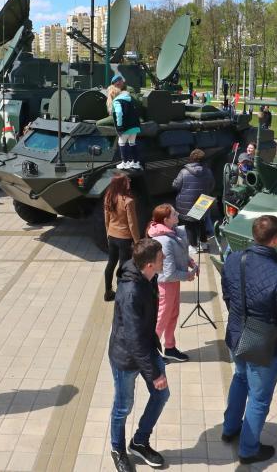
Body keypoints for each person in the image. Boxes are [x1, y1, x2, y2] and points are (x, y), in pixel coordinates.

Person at [221, 215, 277, 464]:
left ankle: (230, 429)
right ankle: (248, 450)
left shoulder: (233, 259)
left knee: (240, 378)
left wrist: (238, 317)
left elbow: (227, 294)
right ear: (276, 239)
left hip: (236, 331)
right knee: (259, 398)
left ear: (254, 235)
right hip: (260, 338)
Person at [106, 238, 170, 472]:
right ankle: (117, 449)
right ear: (149, 264)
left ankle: (139, 442)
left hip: (144, 348)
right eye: (161, 258)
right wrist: (154, 373)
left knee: (161, 395)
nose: (164, 259)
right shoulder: (131, 291)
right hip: (126, 357)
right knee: (123, 406)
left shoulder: (146, 276)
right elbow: (133, 340)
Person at [148, 204, 196, 363]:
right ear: (166, 220)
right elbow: (168, 273)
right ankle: (151, 353)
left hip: (173, 283)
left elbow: (179, 254)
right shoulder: (164, 240)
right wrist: (188, 275)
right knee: (162, 318)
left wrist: (189, 261)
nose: (178, 214)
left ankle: (169, 347)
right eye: (174, 214)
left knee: (173, 314)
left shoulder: (171, 231)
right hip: (166, 284)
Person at [103, 173, 140, 302]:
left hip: (112, 235)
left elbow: (106, 219)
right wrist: (137, 241)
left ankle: (108, 292)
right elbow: (132, 224)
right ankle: (121, 294)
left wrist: (108, 234)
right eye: (127, 181)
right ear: (122, 184)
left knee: (111, 263)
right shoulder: (128, 201)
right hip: (125, 238)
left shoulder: (108, 197)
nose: (129, 182)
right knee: (123, 266)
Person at [173, 149, 217, 251]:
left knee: (190, 225)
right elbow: (212, 185)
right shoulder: (208, 171)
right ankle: (204, 244)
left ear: (191, 158)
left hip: (186, 202)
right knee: (201, 222)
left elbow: (176, 185)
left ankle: (193, 247)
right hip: (203, 200)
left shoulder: (184, 171)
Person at [109, 75, 143, 170]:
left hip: (126, 126)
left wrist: (120, 126)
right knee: (132, 143)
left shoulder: (116, 101)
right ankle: (135, 162)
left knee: (121, 142)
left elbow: (119, 113)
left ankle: (124, 162)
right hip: (135, 125)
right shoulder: (128, 98)